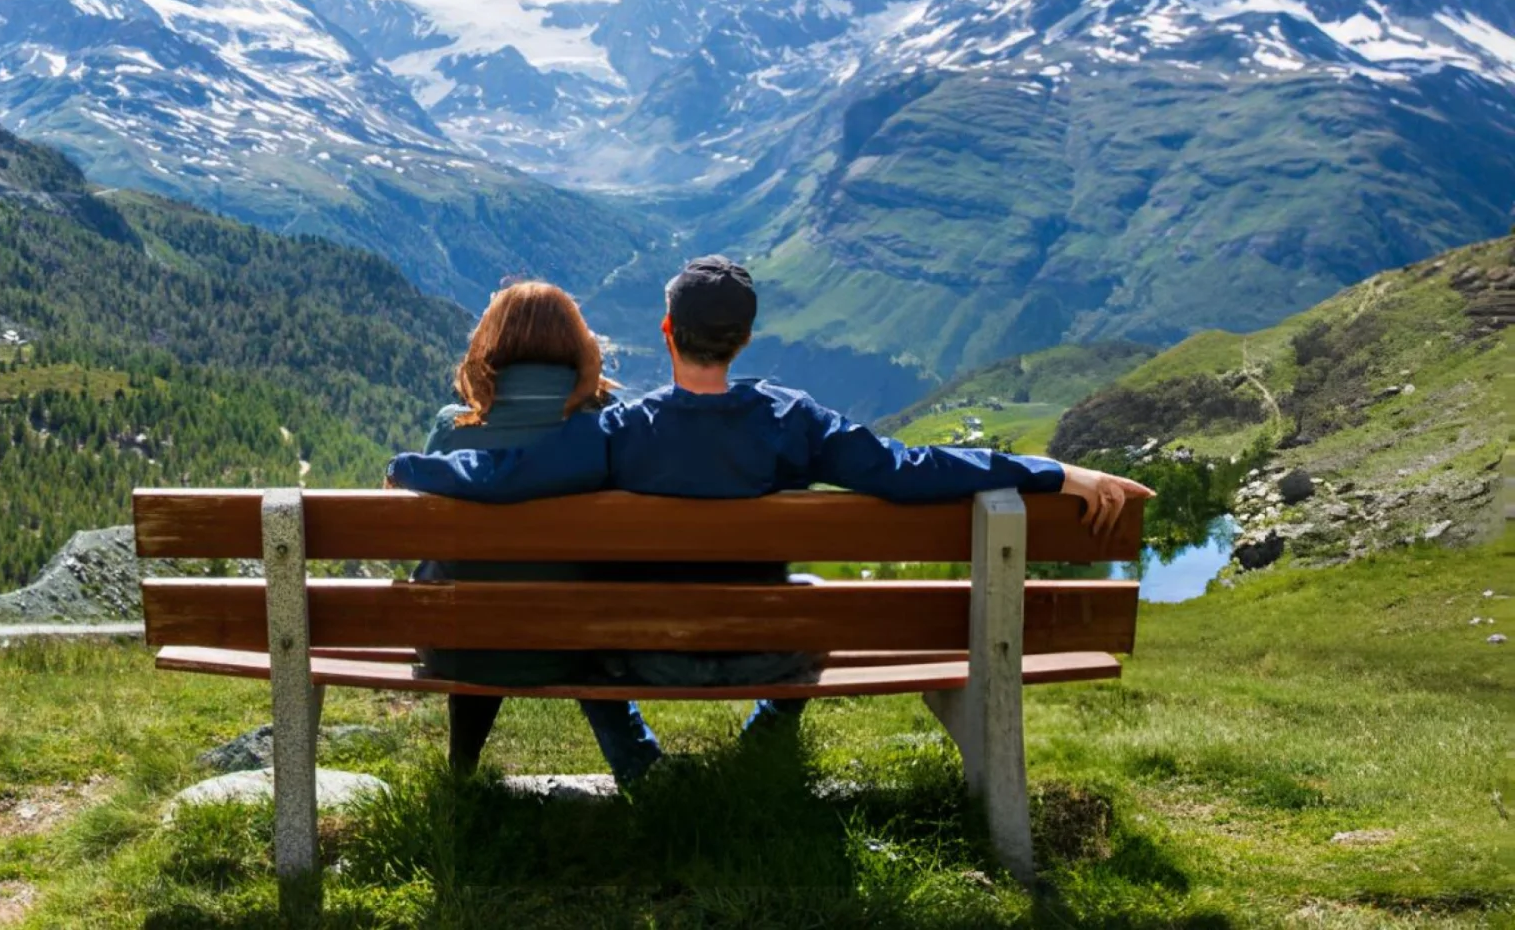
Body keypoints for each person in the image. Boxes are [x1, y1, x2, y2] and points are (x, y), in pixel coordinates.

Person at [386, 257, 1152, 735]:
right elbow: (910, 469)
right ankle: (768, 734)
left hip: (646, 655)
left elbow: (506, 479)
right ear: (745, 339)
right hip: (769, 647)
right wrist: (1048, 473)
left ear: (666, 330)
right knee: (815, 596)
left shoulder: (622, 431)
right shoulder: (795, 422)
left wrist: (417, 469)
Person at [407, 280, 666, 784]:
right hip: (577, 644)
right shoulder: (606, 424)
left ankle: (461, 775)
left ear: (490, 340)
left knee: (475, 590)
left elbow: (422, 538)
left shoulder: (454, 425)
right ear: (576, 341)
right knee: (585, 600)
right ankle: (640, 772)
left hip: (462, 642)